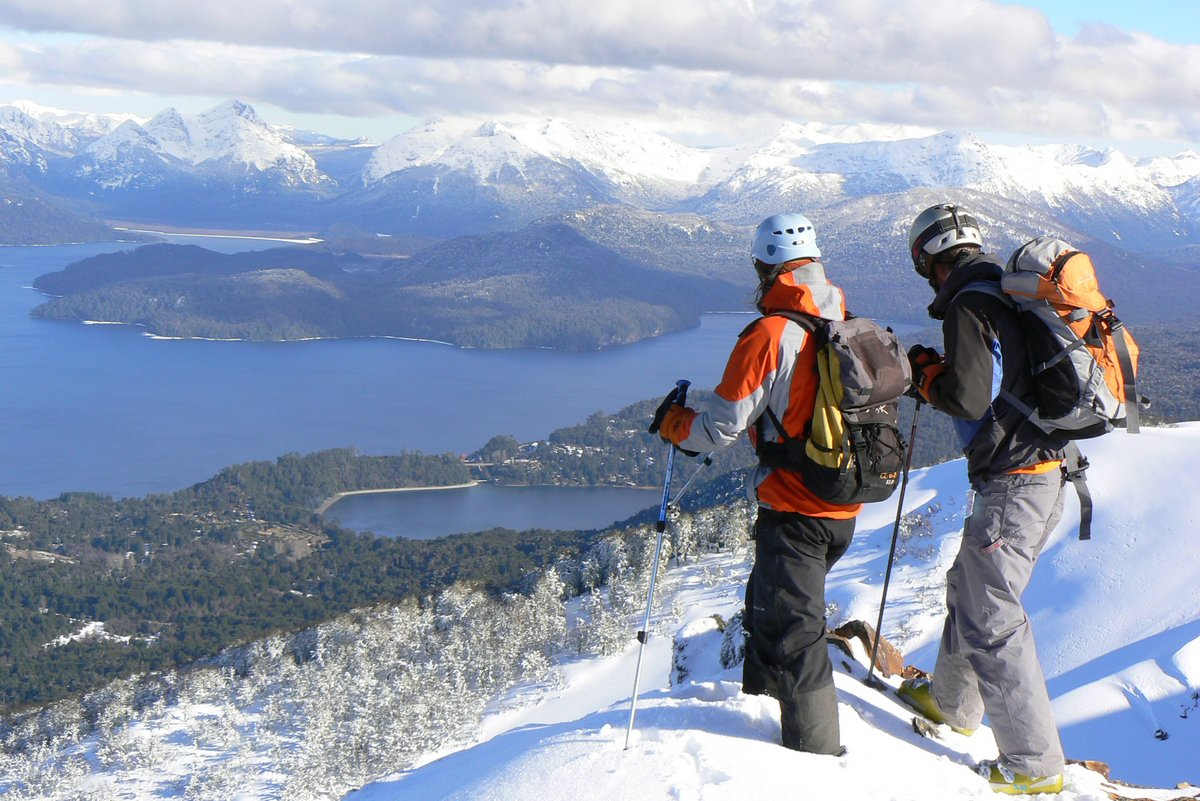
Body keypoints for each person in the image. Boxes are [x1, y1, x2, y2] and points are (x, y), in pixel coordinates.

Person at [652, 213, 858, 756]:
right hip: (844, 501)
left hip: (797, 508)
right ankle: (764, 715)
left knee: (796, 632)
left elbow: (720, 428)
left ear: (765, 267)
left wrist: (675, 424)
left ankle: (814, 757)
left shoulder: (770, 332)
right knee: (767, 604)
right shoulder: (843, 318)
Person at [899, 203, 1067, 795]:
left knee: (992, 617)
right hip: (1045, 472)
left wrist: (925, 377)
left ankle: (1034, 766)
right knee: (968, 587)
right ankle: (951, 702)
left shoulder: (971, 302)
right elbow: (1000, 381)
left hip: (1016, 482)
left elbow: (971, 399)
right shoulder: (1004, 290)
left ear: (928, 259)